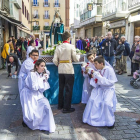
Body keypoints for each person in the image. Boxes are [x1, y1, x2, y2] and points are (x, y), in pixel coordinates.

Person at [20, 59, 56, 132]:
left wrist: (44, 79)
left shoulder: (41, 74)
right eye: (41, 66)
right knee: (30, 114)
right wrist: (42, 79)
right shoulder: (32, 74)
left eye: (44, 66)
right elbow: (33, 88)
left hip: (39, 95)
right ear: (36, 66)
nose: (43, 68)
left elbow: (43, 89)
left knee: (46, 107)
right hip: (29, 95)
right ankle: (28, 123)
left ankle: (47, 126)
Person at [83, 56, 118, 129]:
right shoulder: (98, 70)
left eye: (96, 64)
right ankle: (93, 120)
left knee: (106, 103)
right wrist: (93, 77)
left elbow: (111, 82)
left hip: (108, 89)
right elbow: (96, 83)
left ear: (101, 63)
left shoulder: (109, 70)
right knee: (92, 100)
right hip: (99, 89)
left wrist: (99, 77)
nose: (94, 65)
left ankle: (110, 121)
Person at [53, 31, 79, 113]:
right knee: (68, 88)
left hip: (61, 69)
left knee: (61, 88)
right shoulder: (71, 46)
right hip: (69, 69)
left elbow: (54, 60)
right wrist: (78, 56)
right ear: (68, 38)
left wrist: (58, 64)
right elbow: (75, 59)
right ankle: (66, 108)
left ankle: (60, 105)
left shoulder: (58, 47)